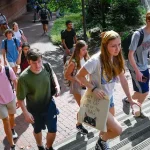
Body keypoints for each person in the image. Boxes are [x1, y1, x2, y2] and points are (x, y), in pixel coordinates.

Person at [76, 30, 140, 150]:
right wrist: (93, 88)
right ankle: (101, 141)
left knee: (106, 128)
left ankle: (100, 145)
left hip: (109, 99)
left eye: (119, 44)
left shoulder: (116, 58)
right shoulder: (95, 60)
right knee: (118, 130)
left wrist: (130, 99)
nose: (118, 49)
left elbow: (123, 80)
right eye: (113, 46)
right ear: (105, 46)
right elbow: (79, 76)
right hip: (97, 100)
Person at [17, 48, 61, 150]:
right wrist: (26, 113)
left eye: (39, 62)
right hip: (34, 110)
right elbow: (20, 99)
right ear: (28, 62)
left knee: (53, 130)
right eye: (34, 63)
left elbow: (53, 74)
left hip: (49, 105)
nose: (37, 66)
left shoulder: (46, 66)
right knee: (37, 130)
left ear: (42, 59)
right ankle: (40, 146)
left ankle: (48, 147)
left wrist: (57, 85)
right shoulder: (23, 78)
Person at [124, 11, 150, 117]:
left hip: (144, 66)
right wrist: (137, 71)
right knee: (144, 91)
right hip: (135, 67)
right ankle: (132, 104)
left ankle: (132, 105)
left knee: (141, 91)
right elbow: (130, 55)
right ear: (148, 21)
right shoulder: (138, 34)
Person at [65, 40, 89, 135]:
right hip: (77, 87)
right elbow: (67, 75)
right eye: (83, 50)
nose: (85, 51)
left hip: (85, 85)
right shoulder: (74, 62)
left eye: (86, 49)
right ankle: (79, 125)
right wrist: (78, 81)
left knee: (85, 106)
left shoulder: (86, 58)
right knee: (83, 107)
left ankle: (81, 122)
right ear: (78, 50)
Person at [0, 57, 18, 150]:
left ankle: (12, 129)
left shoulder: (7, 70)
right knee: (5, 120)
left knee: (11, 116)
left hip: (11, 98)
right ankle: (12, 144)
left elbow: (15, 81)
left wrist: (19, 97)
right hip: (0, 103)